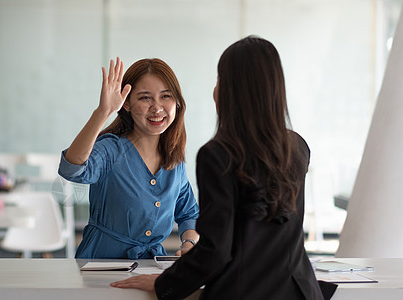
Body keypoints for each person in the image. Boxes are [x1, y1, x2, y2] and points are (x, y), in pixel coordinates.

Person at [110, 36, 324, 299]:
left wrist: (164, 283)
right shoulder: (297, 146)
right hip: (300, 292)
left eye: (219, 79)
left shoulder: (218, 155)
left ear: (232, 90)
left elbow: (216, 251)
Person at [58, 57, 200, 259]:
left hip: (150, 267)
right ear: (127, 104)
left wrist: (189, 242)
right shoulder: (111, 149)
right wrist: (103, 112)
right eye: (145, 98)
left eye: (165, 96)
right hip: (100, 266)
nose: (157, 108)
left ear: (177, 103)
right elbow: (71, 169)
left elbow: (189, 214)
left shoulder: (173, 160)